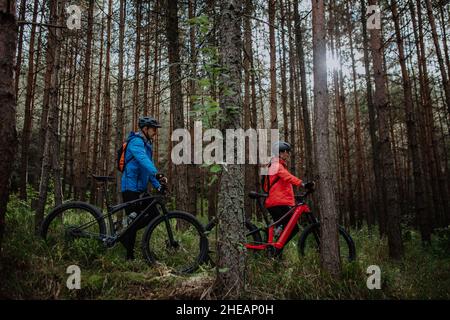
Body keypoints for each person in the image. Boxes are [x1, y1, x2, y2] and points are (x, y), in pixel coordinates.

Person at [120, 116, 167, 260]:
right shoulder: (135, 142)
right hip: (130, 188)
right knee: (134, 220)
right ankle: (129, 257)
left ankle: (125, 234)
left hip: (140, 189)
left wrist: (158, 185)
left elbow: (147, 168)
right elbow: (142, 160)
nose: (155, 132)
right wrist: (157, 173)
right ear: (145, 129)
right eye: (154, 129)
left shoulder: (147, 145)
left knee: (155, 215)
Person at [264, 141, 314, 255]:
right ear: (281, 153)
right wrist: (303, 184)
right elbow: (287, 177)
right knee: (292, 228)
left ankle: (275, 250)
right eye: (287, 152)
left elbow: (281, 186)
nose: (288, 154)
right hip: (276, 203)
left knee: (288, 228)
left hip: (277, 201)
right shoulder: (276, 165)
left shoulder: (277, 164)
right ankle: (275, 252)